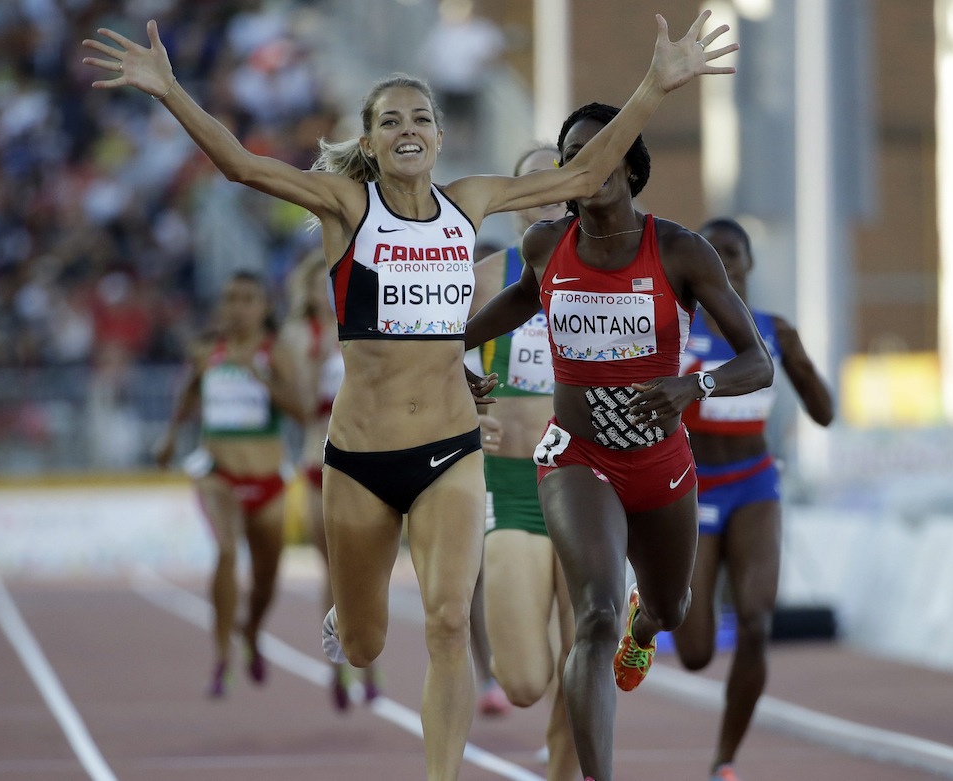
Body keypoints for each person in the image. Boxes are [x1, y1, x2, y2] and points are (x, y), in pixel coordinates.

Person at [84, 14, 734, 778]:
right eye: (389, 119)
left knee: (449, 620)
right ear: (369, 143)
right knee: (363, 643)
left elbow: (585, 177)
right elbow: (240, 166)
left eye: (420, 115)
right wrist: (170, 92)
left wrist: (654, 84)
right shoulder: (346, 208)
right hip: (360, 456)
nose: (407, 128)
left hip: (452, 451)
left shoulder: (473, 202)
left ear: (439, 134)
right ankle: (349, 616)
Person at [465, 105, 773, 781]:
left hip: (659, 461)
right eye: (573, 154)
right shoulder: (546, 246)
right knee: (592, 616)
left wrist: (695, 388)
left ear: (630, 166)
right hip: (577, 457)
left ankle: (645, 625)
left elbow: (758, 361)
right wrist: (452, 358)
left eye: (600, 151)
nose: (586, 165)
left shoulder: (681, 250)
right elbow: (516, 301)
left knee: (670, 607)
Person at [671, 218, 834, 781]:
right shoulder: (674, 327)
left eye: (733, 251)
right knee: (693, 654)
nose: (723, 259)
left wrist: (798, 360)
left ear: (748, 263)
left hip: (753, 481)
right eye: (711, 251)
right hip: (691, 487)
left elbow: (825, 413)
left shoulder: (770, 329)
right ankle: (650, 608)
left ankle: (724, 759)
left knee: (757, 622)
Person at [469, 143, 578, 778]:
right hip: (511, 486)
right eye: (528, 186)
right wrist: (461, 412)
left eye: (555, 183)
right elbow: (436, 366)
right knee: (524, 682)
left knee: (584, 649)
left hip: (589, 482)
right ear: (510, 202)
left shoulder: (612, 278)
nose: (542, 196)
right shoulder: (486, 276)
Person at [154, 273, 307, 698]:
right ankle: (221, 658)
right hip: (217, 473)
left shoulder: (275, 351)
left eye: (247, 299)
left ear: (263, 307)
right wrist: (168, 438)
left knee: (266, 580)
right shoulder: (207, 350)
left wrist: (266, 383)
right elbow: (186, 396)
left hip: (268, 478)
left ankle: (252, 632)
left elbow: (302, 410)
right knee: (224, 550)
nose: (238, 307)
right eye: (230, 299)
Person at [278, 249, 380, 711]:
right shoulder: (299, 336)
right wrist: (317, 364)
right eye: (317, 284)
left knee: (369, 569)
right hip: (316, 460)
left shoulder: (365, 325)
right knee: (334, 570)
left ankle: (369, 661)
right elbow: (299, 407)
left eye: (332, 282)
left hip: (368, 458)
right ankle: (337, 666)